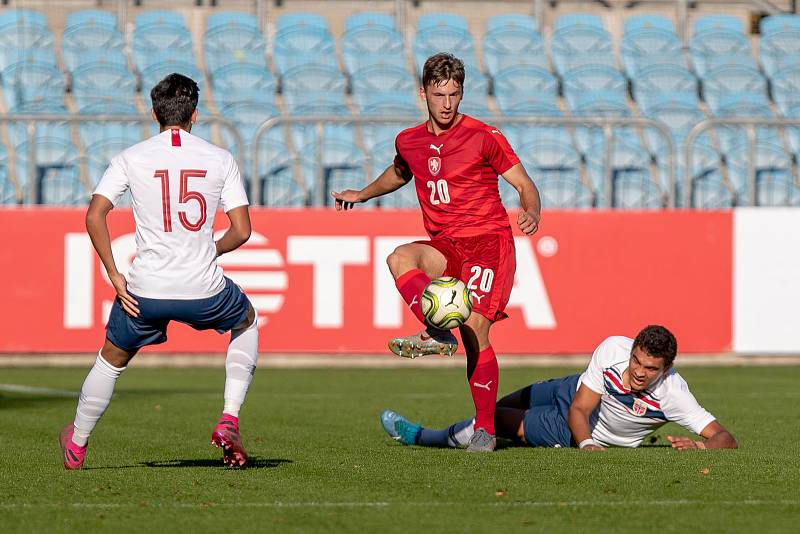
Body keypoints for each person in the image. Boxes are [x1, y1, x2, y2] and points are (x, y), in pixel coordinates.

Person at [331, 53, 542, 453]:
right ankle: (438, 329)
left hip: (487, 243)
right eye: (439, 94)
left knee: (475, 328)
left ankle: (483, 429)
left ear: (462, 93)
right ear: (422, 92)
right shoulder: (409, 140)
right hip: (447, 244)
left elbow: (524, 182)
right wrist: (361, 193)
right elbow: (399, 172)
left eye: (455, 94)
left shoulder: (484, 135)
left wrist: (531, 210)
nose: (447, 104)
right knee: (399, 258)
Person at [59, 74, 259, 469]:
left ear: (153, 113)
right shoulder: (220, 158)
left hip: (145, 289)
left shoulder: (132, 157)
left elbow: (95, 215)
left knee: (111, 358)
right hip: (204, 288)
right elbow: (242, 231)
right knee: (247, 321)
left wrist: (115, 275)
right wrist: (207, 250)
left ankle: (77, 444)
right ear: (195, 115)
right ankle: (229, 417)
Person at [381, 325, 738, 451]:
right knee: (498, 405)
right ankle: (483, 430)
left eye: (651, 369)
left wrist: (703, 447)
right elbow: (580, 406)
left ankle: (420, 436)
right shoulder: (613, 347)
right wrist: (587, 445)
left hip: (579, 430)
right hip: (576, 395)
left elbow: (725, 436)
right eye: (637, 362)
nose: (641, 373)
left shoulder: (674, 394)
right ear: (631, 351)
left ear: (667, 368)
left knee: (500, 423)